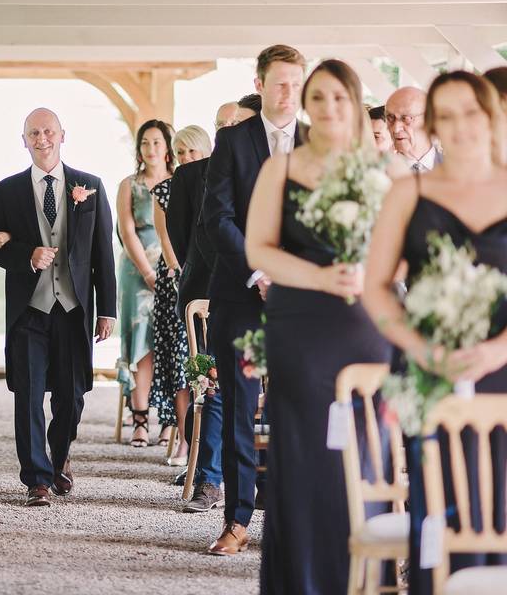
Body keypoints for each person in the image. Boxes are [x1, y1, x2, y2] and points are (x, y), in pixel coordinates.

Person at [247, 59, 404, 593]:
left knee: (366, 451)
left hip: (363, 327)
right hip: (301, 327)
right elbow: (259, 247)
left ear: (355, 103)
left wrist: (372, 271)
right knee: (308, 450)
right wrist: (319, 275)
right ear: (306, 107)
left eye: (339, 98)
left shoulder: (384, 170)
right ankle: (304, 580)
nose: (329, 107)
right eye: (318, 98)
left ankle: (364, 576)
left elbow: (407, 254)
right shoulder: (282, 169)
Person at [364, 71, 507, 594]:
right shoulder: (409, 192)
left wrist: (495, 350)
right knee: (438, 496)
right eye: (447, 116)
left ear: (488, 116)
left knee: (500, 505)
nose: (460, 125)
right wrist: (419, 346)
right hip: (428, 368)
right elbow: (378, 287)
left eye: (470, 112)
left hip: (502, 370)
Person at [0, 107, 116, 506]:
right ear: (23, 140)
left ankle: (60, 458)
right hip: (30, 309)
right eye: (33, 133)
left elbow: (102, 253)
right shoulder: (5, 192)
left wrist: (107, 309)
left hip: (74, 309)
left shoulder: (89, 186)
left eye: (48, 132)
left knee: (71, 396)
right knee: (28, 395)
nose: (42, 139)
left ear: (62, 135)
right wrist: (27, 253)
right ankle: (36, 480)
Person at [203, 44, 306, 556]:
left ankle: (294, 522)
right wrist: (262, 270)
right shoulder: (232, 141)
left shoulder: (319, 142)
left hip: (306, 301)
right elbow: (215, 217)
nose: (289, 93)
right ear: (261, 84)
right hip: (243, 294)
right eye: (280, 82)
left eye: (297, 83)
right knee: (241, 409)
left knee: (299, 409)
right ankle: (238, 519)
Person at [168, 97, 260, 507]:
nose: (228, 133)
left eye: (236, 125)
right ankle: (209, 479)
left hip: (273, 290)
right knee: (216, 384)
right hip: (212, 290)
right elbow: (190, 238)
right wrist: (243, 274)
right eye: (222, 125)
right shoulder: (191, 177)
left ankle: (267, 479)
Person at [151, 123, 206, 460]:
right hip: (178, 278)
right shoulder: (165, 190)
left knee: (204, 364)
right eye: (181, 152)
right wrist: (184, 273)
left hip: (209, 279)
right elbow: (168, 240)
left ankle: (205, 443)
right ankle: (185, 440)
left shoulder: (217, 183)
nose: (186, 157)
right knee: (181, 363)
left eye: (192, 151)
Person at [115, 121, 170, 447]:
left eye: (157, 142)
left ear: (167, 147)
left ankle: (169, 420)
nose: (151, 149)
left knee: (168, 345)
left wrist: (168, 271)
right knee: (141, 344)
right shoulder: (129, 185)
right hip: (137, 272)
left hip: (172, 267)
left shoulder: (179, 182)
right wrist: (148, 272)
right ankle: (139, 419)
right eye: (145, 143)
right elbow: (127, 231)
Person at [385, 86, 439, 171]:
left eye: (406, 118)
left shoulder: (457, 169)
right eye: (390, 118)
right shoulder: (378, 172)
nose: (396, 129)